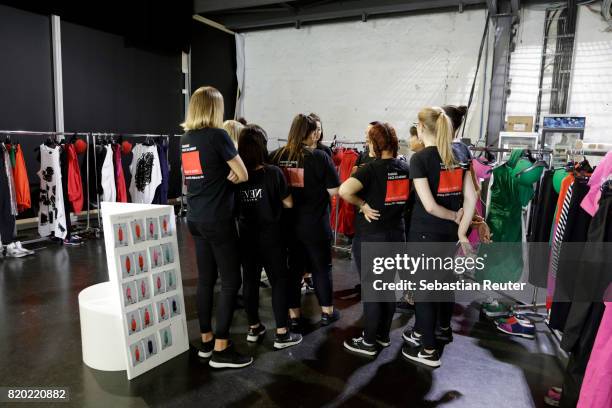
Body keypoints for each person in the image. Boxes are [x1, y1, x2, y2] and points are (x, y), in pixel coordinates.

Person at [180, 86, 252, 369]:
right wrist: (230, 179)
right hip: (218, 218)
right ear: (214, 109)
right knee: (232, 280)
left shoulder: (186, 138)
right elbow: (243, 173)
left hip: (195, 217)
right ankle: (222, 347)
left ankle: (207, 340)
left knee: (206, 280)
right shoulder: (218, 135)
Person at [402, 106, 477, 368]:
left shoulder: (420, 159)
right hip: (449, 237)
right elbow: (471, 197)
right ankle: (436, 334)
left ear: (422, 129)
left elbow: (431, 206)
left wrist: (451, 216)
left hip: (425, 233)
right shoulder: (461, 154)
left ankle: (428, 350)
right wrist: (461, 229)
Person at [339, 122, 410, 357]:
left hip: (372, 237)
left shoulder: (369, 169)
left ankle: (368, 341)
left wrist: (363, 204)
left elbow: (344, 191)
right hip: (396, 235)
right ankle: (381, 336)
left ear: (374, 143)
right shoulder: (405, 168)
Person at [236, 125, 303, 349]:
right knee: (278, 282)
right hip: (272, 237)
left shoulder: (237, 176)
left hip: (246, 236)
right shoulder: (273, 173)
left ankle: (254, 328)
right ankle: (282, 333)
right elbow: (289, 202)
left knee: (251, 282)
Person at [271, 114, 341, 329]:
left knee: (293, 270)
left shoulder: (275, 156)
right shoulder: (320, 157)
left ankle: (293, 315)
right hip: (315, 224)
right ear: (306, 133)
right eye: (314, 131)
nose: (317, 135)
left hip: (287, 225)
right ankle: (327, 312)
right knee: (321, 267)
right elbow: (335, 190)